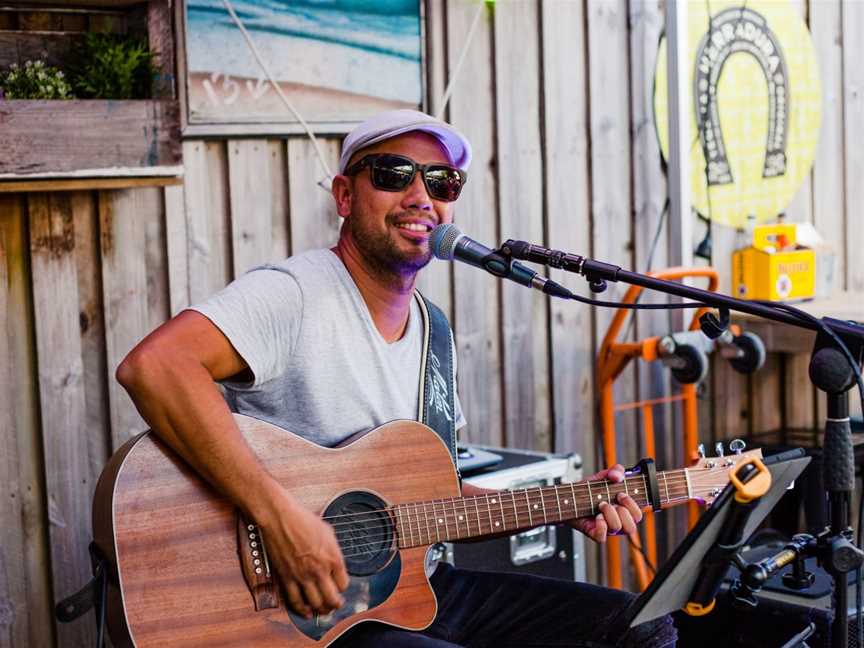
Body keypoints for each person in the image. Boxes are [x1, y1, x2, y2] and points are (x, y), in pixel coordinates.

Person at [116, 109, 677, 647]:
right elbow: (156, 367)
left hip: (413, 593)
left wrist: (565, 504)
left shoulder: (434, 333)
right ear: (344, 195)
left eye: (441, 182)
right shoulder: (295, 293)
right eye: (393, 175)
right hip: (301, 612)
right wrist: (281, 519)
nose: (420, 197)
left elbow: (429, 499)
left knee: (641, 628)